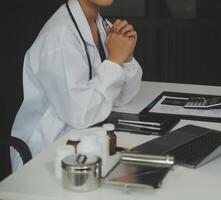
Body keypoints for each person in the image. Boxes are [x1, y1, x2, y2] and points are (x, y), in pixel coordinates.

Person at [11, 0, 143, 170]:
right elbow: (80, 115)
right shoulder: (59, 37)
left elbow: (122, 97)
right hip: (47, 155)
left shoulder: (102, 25)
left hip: (84, 144)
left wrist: (127, 57)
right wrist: (114, 60)